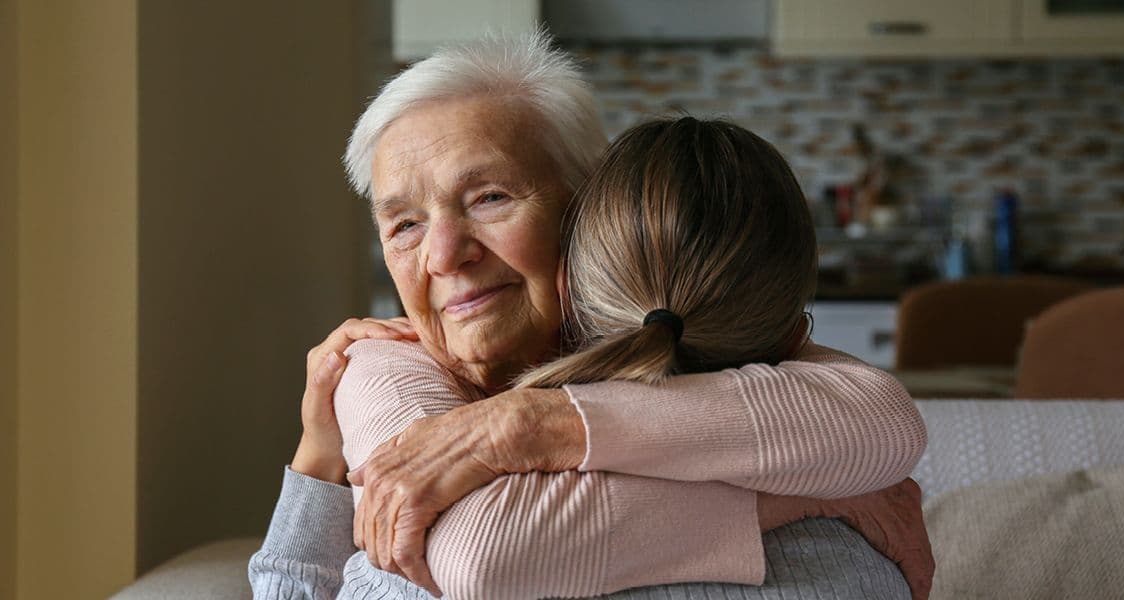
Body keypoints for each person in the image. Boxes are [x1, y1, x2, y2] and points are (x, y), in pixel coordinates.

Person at [249, 32, 931, 600]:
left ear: (586, 213)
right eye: (403, 224)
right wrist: (806, 500)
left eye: (488, 197)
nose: (444, 255)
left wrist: (524, 424)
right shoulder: (385, 368)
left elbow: (881, 417)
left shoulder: (720, 343)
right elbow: (479, 549)